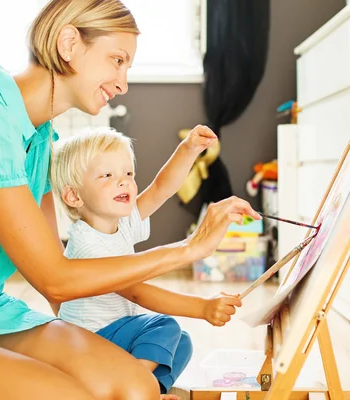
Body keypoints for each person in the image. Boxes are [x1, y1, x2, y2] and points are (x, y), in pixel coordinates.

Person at [0, 1, 261, 399]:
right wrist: (187, 249)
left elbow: (52, 279)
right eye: (116, 60)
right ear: (69, 43)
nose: (123, 83)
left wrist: (85, 348)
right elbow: (55, 279)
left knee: (136, 388)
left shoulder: (39, 138)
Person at [51, 126, 243, 396]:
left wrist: (187, 150)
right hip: (88, 344)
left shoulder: (122, 222)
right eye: (107, 175)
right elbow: (137, 292)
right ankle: (129, 390)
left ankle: (151, 390)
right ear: (75, 196)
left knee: (181, 343)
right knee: (165, 327)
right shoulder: (86, 244)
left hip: (113, 338)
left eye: (128, 173)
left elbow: (161, 188)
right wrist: (201, 307)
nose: (124, 182)